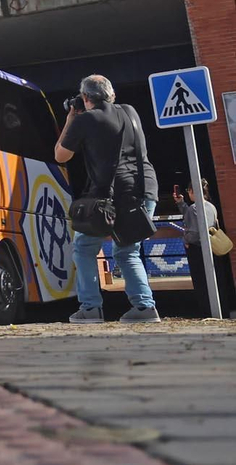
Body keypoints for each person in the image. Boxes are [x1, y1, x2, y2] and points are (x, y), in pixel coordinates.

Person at [55, 74, 160, 324]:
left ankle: (90, 308)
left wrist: (71, 120)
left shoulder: (86, 119)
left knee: (83, 249)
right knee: (127, 252)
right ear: (111, 94)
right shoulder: (130, 112)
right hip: (145, 189)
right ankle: (144, 308)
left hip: (112, 196)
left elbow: (61, 156)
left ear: (85, 98)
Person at [175, 178, 230, 318]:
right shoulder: (211, 206)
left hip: (197, 249)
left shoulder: (195, 208)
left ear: (192, 191)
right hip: (213, 247)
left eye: (188, 191)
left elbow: (193, 231)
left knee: (202, 283)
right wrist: (181, 204)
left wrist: (185, 239)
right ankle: (221, 310)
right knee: (216, 280)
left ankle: (207, 311)